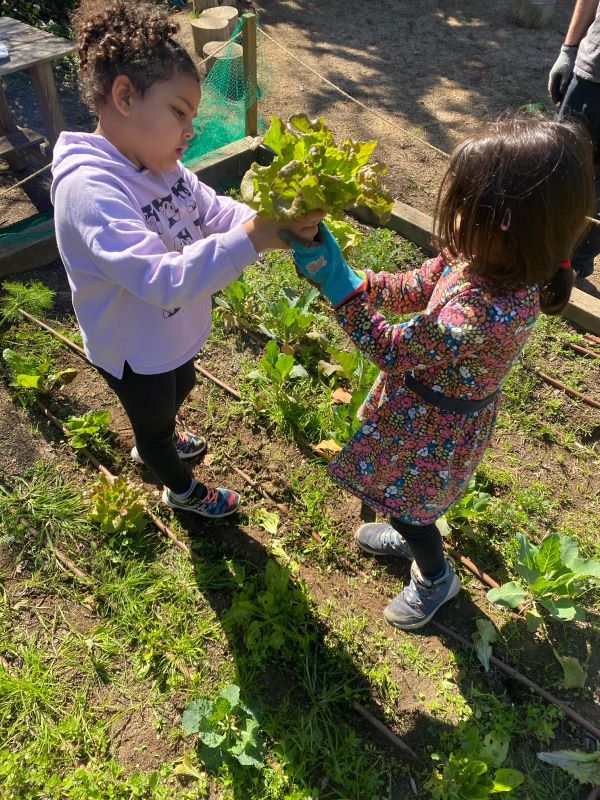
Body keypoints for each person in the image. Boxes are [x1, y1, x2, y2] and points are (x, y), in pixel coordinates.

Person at [291, 116, 593, 630]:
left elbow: (391, 348)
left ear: (508, 226)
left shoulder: (486, 312)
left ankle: (435, 577)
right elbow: (414, 285)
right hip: (418, 409)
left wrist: (338, 286)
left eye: (465, 211)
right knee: (402, 495)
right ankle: (406, 530)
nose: (453, 223)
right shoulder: (479, 259)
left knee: (412, 509)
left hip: (436, 430)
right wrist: (356, 279)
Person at [51, 0, 321, 520]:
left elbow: (213, 211)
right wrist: (255, 238)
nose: (190, 130)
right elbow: (161, 278)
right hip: (133, 349)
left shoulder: (159, 164)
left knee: (184, 384)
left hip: (169, 331)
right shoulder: (89, 189)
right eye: (179, 112)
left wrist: (274, 222)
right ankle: (180, 487)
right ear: (124, 97)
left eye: (191, 117)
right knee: (152, 427)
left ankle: (164, 437)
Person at [549, 0, 600, 279]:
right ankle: (537, 251)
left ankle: (575, 268)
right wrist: (568, 51)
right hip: (592, 75)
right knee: (560, 165)